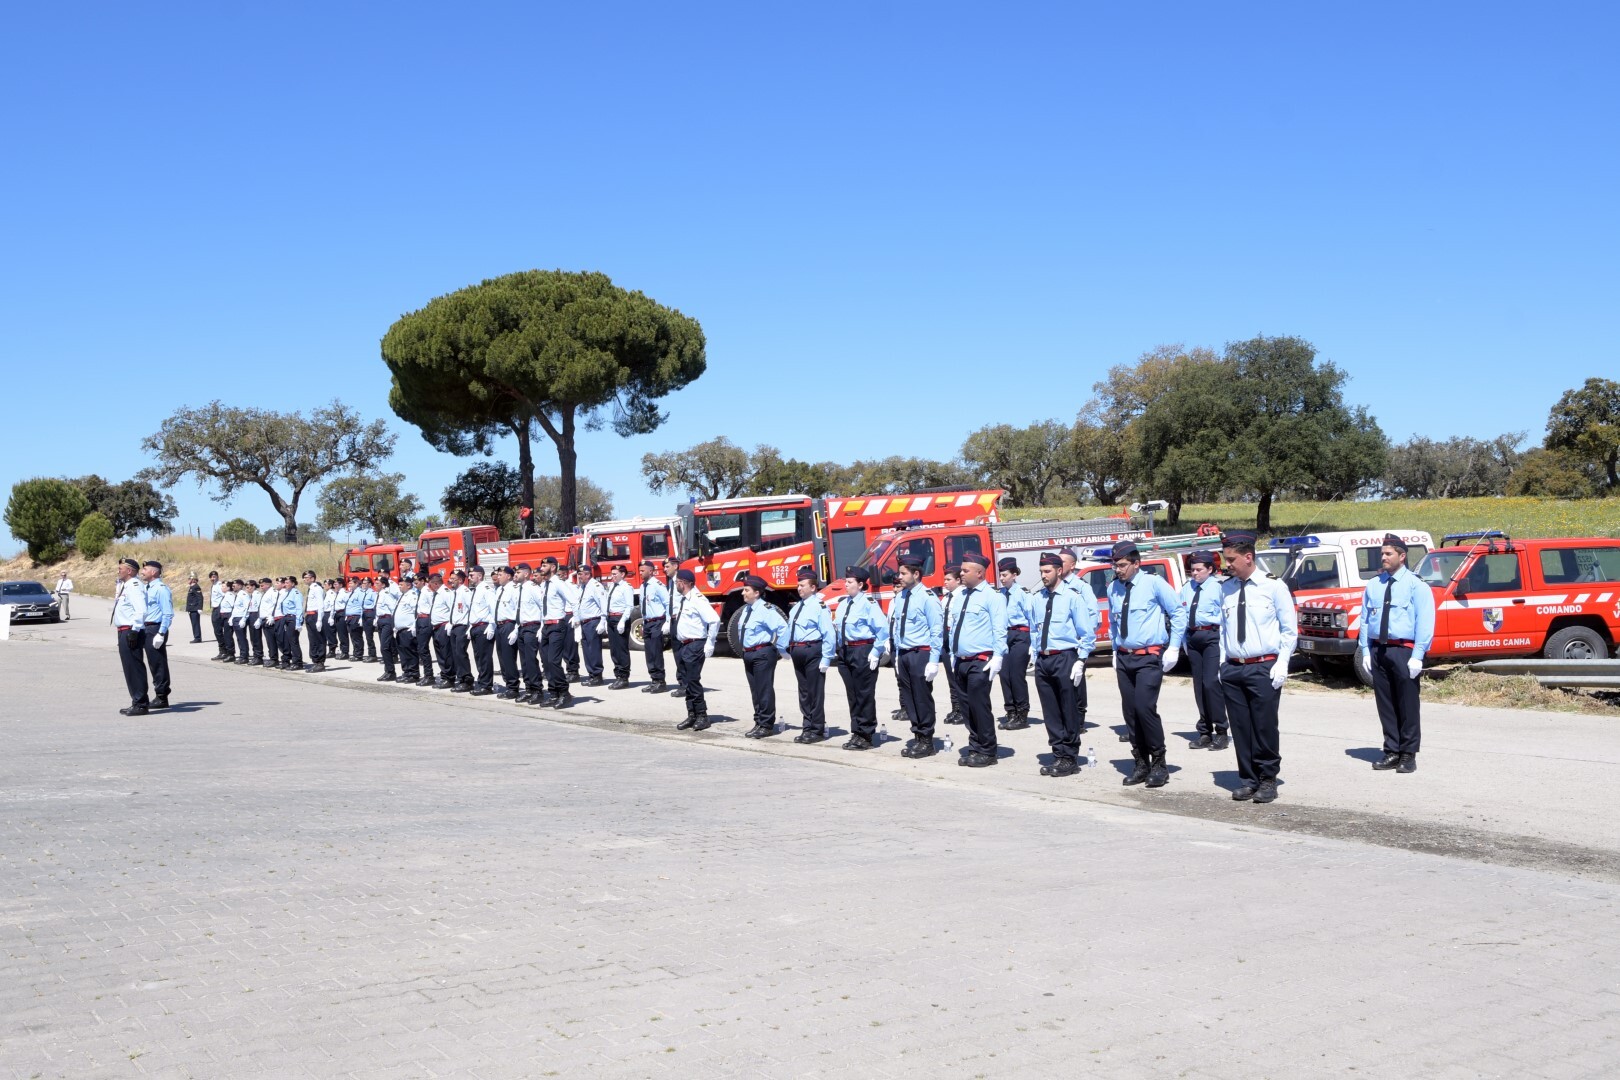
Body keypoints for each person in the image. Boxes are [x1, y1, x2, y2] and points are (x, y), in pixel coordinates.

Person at [1218, 530, 1298, 804]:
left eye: (1231, 559)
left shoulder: (1273, 587)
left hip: (1263, 667)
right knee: (1240, 728)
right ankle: (1248, 779)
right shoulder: (1226, 588)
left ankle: (1267, 779)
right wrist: (1221, 664)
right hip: (1233, 668)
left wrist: (1283, 662)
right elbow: (1222, 630)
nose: (1227, 564)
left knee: (1264, 726)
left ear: (1248, 557)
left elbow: (1289, 630)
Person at [1108, 540, 1187, 788]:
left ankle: (1159, 763)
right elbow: (1113, 621)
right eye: (1115, 565)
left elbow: (1178, 612)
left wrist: (1174, 646)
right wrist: (1114, 648)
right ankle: (1140, 762)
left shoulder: (1153, 583)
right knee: (1130, 713)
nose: (1117, 569)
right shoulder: (1113, 588)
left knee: (1144, 708)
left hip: (1148, 657)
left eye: (1122, 565)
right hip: (1124, 656)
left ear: (1136, 563)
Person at [1357, 534, 1435, 775]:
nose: (1383, 557)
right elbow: (1364, 618)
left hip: (1404, 650)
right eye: (1382, 553)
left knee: (1407, 703)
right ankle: (1391, 749)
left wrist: (1418, 654)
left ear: (1402, 556)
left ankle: (1408, 753)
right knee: (1386, 703)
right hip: (1380, 649)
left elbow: (1425, 621)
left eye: (1388, 553)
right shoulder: (1374, 584)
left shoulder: (1416, 584)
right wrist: (1365, 650)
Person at [1030, 552, 1099, 777]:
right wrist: (1034, 654)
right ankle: (1058, 753)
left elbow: (1086, 632)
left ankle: (1070, 756)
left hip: (1065, 658)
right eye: (1041, 571)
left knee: (1068, 709)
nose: (1043, 576)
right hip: (1044, 659)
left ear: (1059, 571)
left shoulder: (1072, 597)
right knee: (1050, 711)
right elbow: (1034, 628)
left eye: (1047, 571)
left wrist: (1081, 659)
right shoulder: (1038, 598)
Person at [945, 552, 1008, 768]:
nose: (961, 573)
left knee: (979, 706)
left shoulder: (993, 597)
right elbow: (955, 628)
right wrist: (954, 655)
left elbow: (999, 630)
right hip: (961, 660)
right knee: (966, 707)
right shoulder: (961, 596)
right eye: (961, 570)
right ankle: (975, 746)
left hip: (980, 660)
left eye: (965, 570)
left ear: (979, 573)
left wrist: (998, 656)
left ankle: (987, 750)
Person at [834, 565, 893, 751]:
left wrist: (876, 652)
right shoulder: (843, 603)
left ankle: (866, 734)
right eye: (846, 581)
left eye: (850, 582)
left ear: (860, 584)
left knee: (864, 694)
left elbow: (883, 630)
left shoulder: (869, 604)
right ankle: (856, 731)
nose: (846, 584)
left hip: (862, 651)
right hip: (845, 652)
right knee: (852, 695)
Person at [889, 554, 942, 755]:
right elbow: (897, 627)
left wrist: (934, 660)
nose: (899, 576)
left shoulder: (928, 598)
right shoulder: (901, 596)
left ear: (916, 574)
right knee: (909, 698)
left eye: (903, 573)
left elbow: (936, 630)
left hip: (920, 654)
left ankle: (927, 740)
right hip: (903, 654)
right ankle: (917, 735)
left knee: (921, 698)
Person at [779, 566, 836, 744]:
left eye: (802, 585)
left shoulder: (820, 607)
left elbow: (829, 633)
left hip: (813, 650)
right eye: (798, 585)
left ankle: (817, 728)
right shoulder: (796, 608)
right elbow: (789, 630)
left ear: (813, 587)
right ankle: (807, 726)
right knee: (804, 692)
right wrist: (782, 649)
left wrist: (827, 657)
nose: (799, 588)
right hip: (798, 651)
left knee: (814, 691)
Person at [1180, 551, 1228, 751]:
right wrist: (1182, 641)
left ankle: (1222, 731)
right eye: (1192, 570)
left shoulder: (1218, 588)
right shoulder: (1186, 588)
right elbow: (1181, 614)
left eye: (1199, 570)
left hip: (1211, 637)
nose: (1195, 573)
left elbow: (1225, 617)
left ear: (1210, 569)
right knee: (1199, 686)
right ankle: (1205, 731)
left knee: (1210, 683)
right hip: (1192, 638)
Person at [735, 575, 787, 738]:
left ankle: (766, 724)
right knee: (755, 690)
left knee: (764, 690)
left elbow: (783, 627)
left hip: (762, 653)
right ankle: (759, 721)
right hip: (749, 653)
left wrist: (781, 649)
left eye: (746, 590)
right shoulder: (746, 610)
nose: (743, 593)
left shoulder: (765, 610)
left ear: (756, 593)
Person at [669, 568, 720, 730]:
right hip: (684, 645)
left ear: (683, 583)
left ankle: (702, 715)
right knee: (686, 682)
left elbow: (714, 620)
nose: (675, 585)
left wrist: (710, 643)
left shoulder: (697, 599)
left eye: (677, 582)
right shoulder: (685, 599)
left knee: (693, 681)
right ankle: (692, 714)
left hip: (695, 645)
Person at [996, 557, 1033, 730]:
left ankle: (1021, 713)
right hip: (1005, 635)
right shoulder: (1000, 594)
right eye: (1000, 575)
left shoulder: (1022, 594)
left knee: (1016, 675)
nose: (1002, 578)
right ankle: (1010, 711)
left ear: (1014, 575)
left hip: (1020, 635)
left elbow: (1032, 618)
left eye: (1005, 575)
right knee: (1004, 675)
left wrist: (1034, 644)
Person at [535, 556, 575, 708]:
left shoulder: (558, 584)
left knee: (553, 661)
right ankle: (553, 693)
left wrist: (576, 621)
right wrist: (541, 626)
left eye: (545, 565)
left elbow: (574, 600)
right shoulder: (545, 585)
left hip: (557, 626)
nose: (542, 567)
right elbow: (543, 608)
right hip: (546, 626)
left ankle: (564, 693)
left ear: (553, 567)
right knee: (546, 662)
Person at [112, 558, 150, 715]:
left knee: (134, 667)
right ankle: (136, 700)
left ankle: (141, 703)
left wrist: (134, 630)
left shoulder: (134, 586)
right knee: (130, 668)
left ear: (129, 571)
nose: (118, 570)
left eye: (121, 568)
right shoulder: (125, 585)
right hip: (124, 630)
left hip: (130, 631)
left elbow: (141, 610)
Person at [138, 560, 174, 708]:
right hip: (146, 628)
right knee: (152, 663)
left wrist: (161, 633)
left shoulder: (160, 589)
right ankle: (159, 693)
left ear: (153, 572)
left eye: (145, 569)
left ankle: (162, 696)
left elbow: (168, 613)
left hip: (155, 628)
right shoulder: (147, 587)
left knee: (158, 663)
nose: (142, 571)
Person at [512, 563, 546, 704]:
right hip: (521, 627)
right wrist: (516, 628)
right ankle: (529, 689)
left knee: (531, 660)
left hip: (532, 627)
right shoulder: (519, 589)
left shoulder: (533, 588)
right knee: (524, 661)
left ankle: (537, 690)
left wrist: (542, 627)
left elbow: (543, 606)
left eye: (518, 572)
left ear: (526, 574)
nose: (515, 574)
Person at [939, 565, 966, 724]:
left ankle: (963, 709)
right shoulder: (946, 598)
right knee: (950, 676)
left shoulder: (961, 596)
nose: (945, 582)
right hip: (945, 638)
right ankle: (955, 707)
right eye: (944, 579)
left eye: (948, 579)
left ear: (958, 580)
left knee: (958, 676)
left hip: (955, 638)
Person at [491, 566, 523, 698]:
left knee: (509, 657)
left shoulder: (514, 590)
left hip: (509, 625)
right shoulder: (499, 590)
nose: (498, 576)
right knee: (502, 657)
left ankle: (513, 687)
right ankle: (508, 684)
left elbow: (518, 610)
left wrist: (516, 628)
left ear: (508, 576)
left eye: (500, 574)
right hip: (499, 626)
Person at [638, 559, 669, 692]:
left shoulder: (657, 585)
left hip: (657, 622)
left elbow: (667, 603)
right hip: (648, 622)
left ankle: (660, 681)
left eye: (642, 570)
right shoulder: (642, 586)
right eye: (639, 570)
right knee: (649, 653)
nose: (640, 573)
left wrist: (667, 621)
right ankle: (653, 679)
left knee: (656, 652)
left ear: (651, 571)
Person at [574, 565, 608, 686]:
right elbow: (578, 604)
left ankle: (597, 675)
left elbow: (603, 604)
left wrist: (603, 621)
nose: (579, 577)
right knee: (586, 650)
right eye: (578, 574)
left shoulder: (595, 586)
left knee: (593, 650)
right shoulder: (582, 587)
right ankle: (591, 674)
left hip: (593, 621)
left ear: (588, 574)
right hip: (584, 623)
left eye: (581, 574)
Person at [602, 565, 636, 689]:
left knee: (621, 649)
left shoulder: (626, 588)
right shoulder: (612, 586)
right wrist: (605, 620)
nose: (613, 576)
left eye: (615, 574)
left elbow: (629, 606)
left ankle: (624, 677)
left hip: (620, 618)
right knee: (614, 650)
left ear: (622, 574)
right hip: (611, 618)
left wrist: (622, 621)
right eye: (612, 573)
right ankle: (618, 675)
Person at [465, 565, 496, 695]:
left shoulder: (486, 589)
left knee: (484, 657)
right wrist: (470, 627)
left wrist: (492, 626)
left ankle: (486, 685)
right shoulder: (475, 590)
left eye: (472, 575)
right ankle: (482, 681)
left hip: (484, 627)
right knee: (478, 657)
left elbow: (493, 609)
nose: (469, 577)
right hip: (475, 627)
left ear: (480, 576)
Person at [446, 569, 474, 691]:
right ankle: (461, 677)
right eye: (451, 578)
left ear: (461, 580)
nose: (451, 580)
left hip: (462, 626)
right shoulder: (454, 592)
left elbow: (471, 609)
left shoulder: (465, 592)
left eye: (454, 578)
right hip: (454, 626)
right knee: (455, 654)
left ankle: (467, 680)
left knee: (460, 653)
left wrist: (470, 626)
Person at [427, 572, 454, 688]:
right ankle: (444, 675)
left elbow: (453, 608)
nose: (429, 587)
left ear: (436, 583)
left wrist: (450, 623)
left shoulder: (446, 593)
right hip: (436, 627)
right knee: (440, 654)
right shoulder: (437, 593)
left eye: (430, 584)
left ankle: (449, 678)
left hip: (443, 626)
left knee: (446, 654)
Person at [374, 573, 401, 682]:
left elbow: (392, 608)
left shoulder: (386, 594)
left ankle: (391, 672)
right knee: (383, 647)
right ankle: (387, 671)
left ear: (384, 585)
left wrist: (393, 623)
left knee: (385, 647)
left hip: (387, 620)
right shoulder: (380, 594)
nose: (375, 585)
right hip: (381, 620)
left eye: (378, 584)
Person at [395, 574, 422, 683]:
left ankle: (413, 674)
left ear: (409, 585)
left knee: (410, 652)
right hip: (400, 630)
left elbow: (416, 612)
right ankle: (406, 672)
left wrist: (414, 627)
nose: (399, 587)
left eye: (401, 585)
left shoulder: (412, 596)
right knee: (403, 653)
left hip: (408, 629)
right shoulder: (402, 595)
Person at [302, 571, 327, 673]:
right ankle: (315, 661)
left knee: (319, 640)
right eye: (304, 577)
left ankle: (320, 663)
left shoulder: (317, 589)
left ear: (312, 578)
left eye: (307, 577)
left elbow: (321, 605)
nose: (304, 579)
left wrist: (319, 620)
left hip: (316, 615)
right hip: (310, 615)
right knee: (312, 640)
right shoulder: (311, 588)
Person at [280, 575, 305, 670]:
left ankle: (298, 662)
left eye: (287, 583)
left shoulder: (296, 593)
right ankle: (290, 661)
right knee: (288, 641)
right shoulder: (288, 592)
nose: (285, 584)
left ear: (293, 583)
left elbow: (299, 608)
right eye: (285, 583)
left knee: (293, 641)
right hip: (287, 618)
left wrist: (298, 622)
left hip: (293, 618)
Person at [343, 577, 366, 661]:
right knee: (352, 636)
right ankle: (355, 653)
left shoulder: (360, 592)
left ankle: (359, 654)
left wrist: (360, 618)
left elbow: (361, 606)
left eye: (351, 583)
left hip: (355, 617)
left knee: (357, 637)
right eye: (349, 583)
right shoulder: (352, 592)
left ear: (356, 584)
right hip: (350, 617)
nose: (349, 585)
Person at [208, 571, 227, 659]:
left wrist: (221, 607)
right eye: (211, 577)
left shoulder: (219, 585)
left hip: (219, 608)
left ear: (218, 577)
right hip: (215, 608)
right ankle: (223, 650)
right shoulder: (214, 585)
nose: (213, 578)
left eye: (214, 576)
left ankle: (223, 651)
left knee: (218, 631)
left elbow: (224, 595)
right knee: (217, 631)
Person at [360, 577, 379, 662]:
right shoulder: (363, 593)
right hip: (364, 613)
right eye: (363, 583)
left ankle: (373, 654)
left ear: (370, 584)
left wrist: (375, 617)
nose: (364, 584)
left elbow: (375, 605)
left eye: (366, 583)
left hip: (370, 614)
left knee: (370, 635)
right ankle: (370, 653)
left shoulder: (372, 593)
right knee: (367, 635)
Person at [185, 574, 203, 642]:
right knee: (193, 623)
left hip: (195, 608)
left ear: (193, 579)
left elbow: (200, 597)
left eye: (189, 579)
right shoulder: (191, 587)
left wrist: (200, 608)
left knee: (195, 623)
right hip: (192, 608)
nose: (188, 580)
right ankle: (196, 636)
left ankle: (197, 637)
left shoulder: (196, 587)